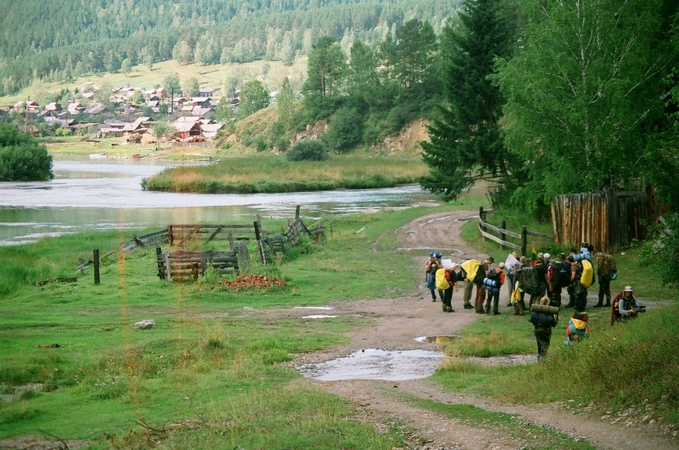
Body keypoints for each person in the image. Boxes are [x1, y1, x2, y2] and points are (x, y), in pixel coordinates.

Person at [530, 297, 558, 361]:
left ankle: (540, 359)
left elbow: (532, 320)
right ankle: (542, 361)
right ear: (548, 303)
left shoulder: (536, 310)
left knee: (539, 346)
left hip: (538, 331)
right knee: (545, 347)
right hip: (546, 332)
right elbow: (553, 324)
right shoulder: (550, 311)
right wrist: (555, 318)